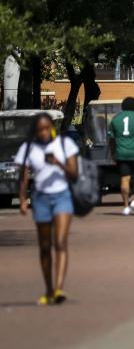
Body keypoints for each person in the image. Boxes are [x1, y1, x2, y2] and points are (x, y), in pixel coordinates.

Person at [16, 113, 79, 305]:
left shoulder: (64, 145)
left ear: (52, 127)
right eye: (40, 129)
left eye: (47, 128)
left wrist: (57, 163)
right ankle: (49, 289)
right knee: (45, 246)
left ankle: (59, 288)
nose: (44, 133)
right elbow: (23, 176)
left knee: (60, 242)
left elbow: (74, 174)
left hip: (62, 197)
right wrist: (22, 199)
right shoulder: (28, 148)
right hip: (40, 198)